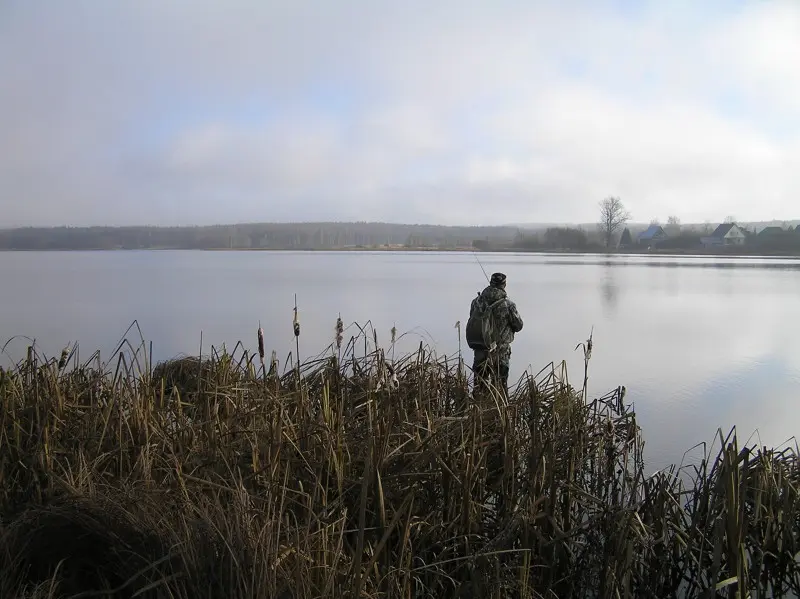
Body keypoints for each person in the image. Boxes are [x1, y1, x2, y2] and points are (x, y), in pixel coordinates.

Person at [467, 272, 524, 396]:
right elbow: (518, 326)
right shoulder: (508, 305)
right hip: (501, 352)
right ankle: (500, 412)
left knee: (478, 386)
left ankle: (477, 411)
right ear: (504, 285)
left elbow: (473, 319)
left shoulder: (476, 302)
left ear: (491, 283)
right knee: (500, 387)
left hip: (480, 349)